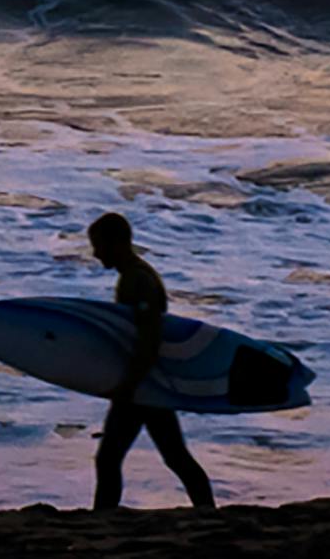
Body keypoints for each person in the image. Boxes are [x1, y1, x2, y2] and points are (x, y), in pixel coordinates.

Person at [85, 211, 215, 510]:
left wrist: (130, 384)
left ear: (116, 242)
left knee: (111, 457)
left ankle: (101, 519)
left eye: (98, 245)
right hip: (147, 383)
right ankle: (208, 511)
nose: (94, 253)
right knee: (174, 456)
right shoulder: (132, 276)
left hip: (143, 385)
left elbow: (149, 339)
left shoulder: (137, 280)